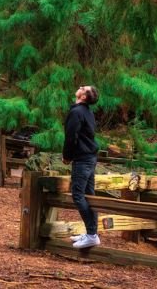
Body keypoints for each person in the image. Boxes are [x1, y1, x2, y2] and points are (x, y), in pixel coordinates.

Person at [62, 85, 100, 248]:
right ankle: (92, 233)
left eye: (83, 88)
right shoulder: (87, 112)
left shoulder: (77, 112)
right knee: (89, 196)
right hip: (90, 158)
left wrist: (67, 156)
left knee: (78, 195)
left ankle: (91, 235)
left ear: (83, 96)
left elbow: (71, 137)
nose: (79, 87)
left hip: (83, 159)